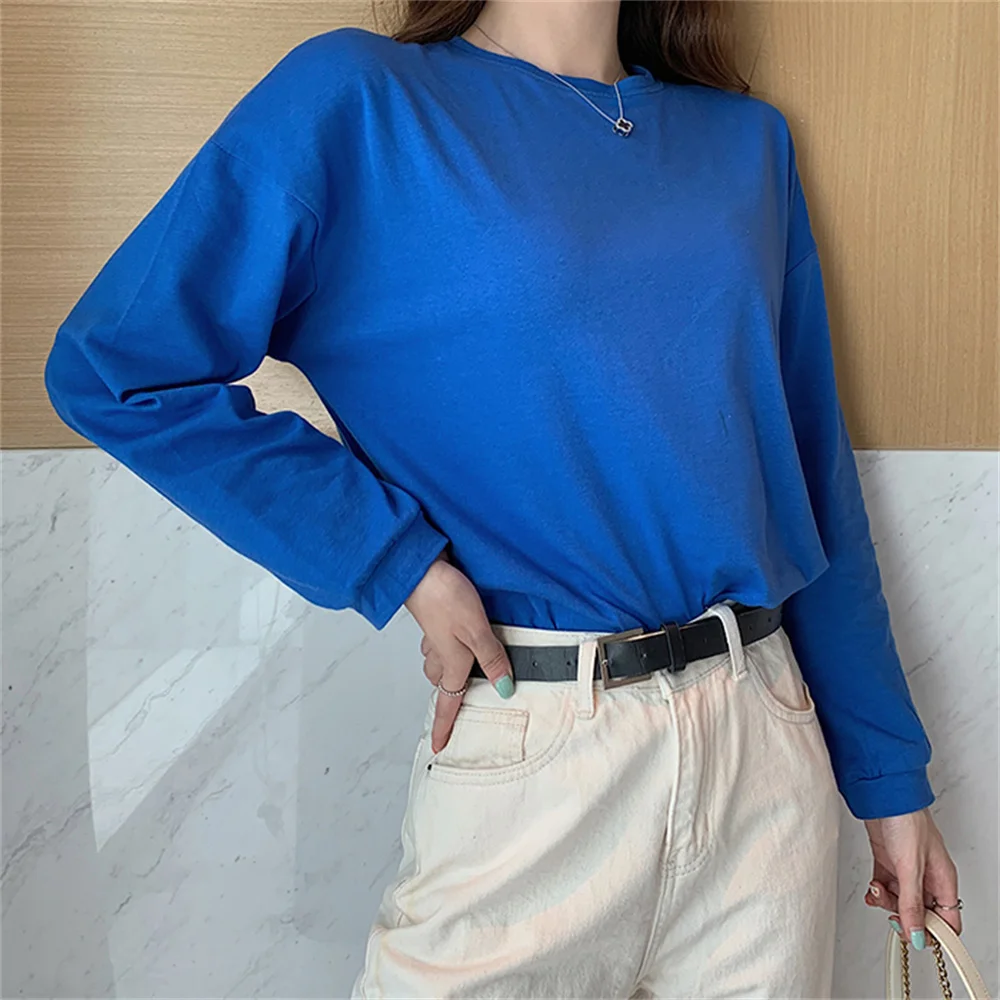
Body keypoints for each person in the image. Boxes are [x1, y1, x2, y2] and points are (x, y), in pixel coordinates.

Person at [43, 1, 963, 996]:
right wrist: (397, 563)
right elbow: (119, 369)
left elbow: (811, 476)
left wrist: (887, 775)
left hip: (763, 754)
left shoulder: (746, 145)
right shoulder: (363, 102)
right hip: (534, 745)